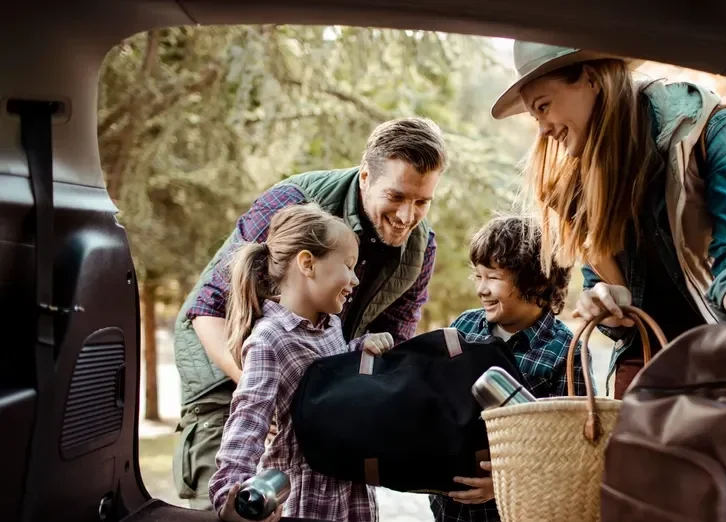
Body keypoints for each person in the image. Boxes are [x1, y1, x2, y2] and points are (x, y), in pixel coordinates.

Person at [491, 41, 726, 398]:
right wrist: (605, 301)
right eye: (536, 117)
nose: (544, 129)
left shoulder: (709, 129)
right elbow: (614, 299)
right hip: (649, 369)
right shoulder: (576, 188)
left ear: (590, 79)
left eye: (544, 107)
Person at [172, 117, 447, 509]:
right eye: (397, 196)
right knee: (232, 506)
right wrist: (269, 397)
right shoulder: (293, 200)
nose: (407, 216)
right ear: (366, 176)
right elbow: (207, 308)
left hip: (315, 388)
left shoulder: (421, 248)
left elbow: (390, 351)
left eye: (422, 202)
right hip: (228, 375)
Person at [209, 203, 394, 521]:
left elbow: (332, 378)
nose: (355, 280)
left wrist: (361, 348)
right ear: (308, 263)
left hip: (351, 493)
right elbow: (248, 422)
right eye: (348, 266)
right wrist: (230, 494)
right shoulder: (270, 339)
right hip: (307, 500)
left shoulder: (331, 325)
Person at [429, 214, 591, 522]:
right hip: (450, 511)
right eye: (477, 276)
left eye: (493, 277)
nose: (481, 289)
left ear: (537, 281)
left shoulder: (567, 353)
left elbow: (573, 450)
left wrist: (502, 485)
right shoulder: (464, 327)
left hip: (512, 511)